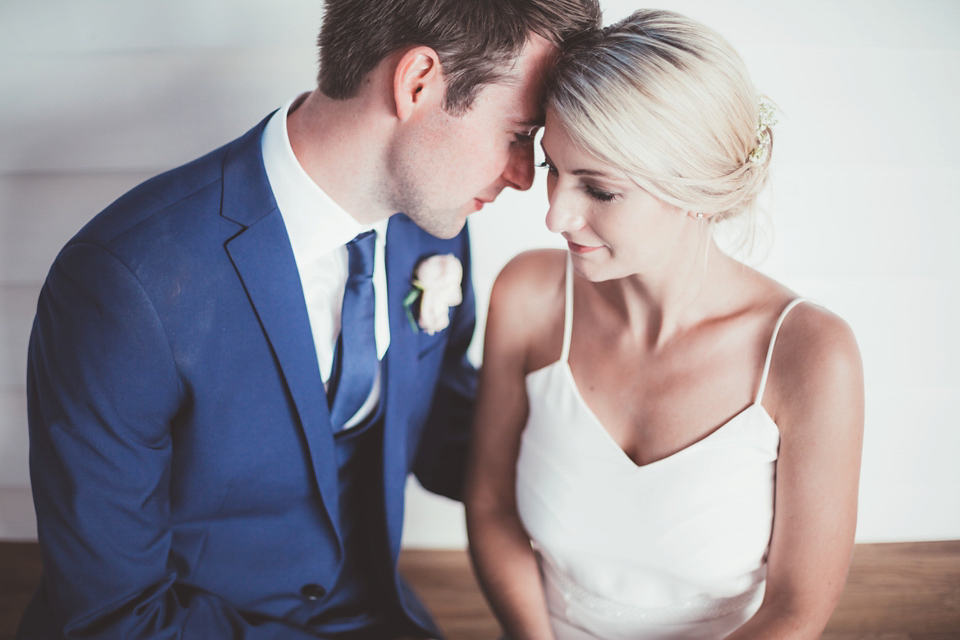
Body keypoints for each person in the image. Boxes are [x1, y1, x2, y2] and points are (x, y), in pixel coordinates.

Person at [17, 1, 601, 638]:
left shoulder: (433, 231)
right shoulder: (124, 284)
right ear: (417, 83)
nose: (522, 177)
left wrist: (624, 448)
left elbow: (441, 433)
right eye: (519, 134)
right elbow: (116, 619)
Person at [465, 9, 864, 640]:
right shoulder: (528, 297)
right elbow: (489, 505)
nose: (555, 216)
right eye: (553, 171)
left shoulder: (809, 356)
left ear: (694, 190)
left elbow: (795, 609)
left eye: (599, 190)